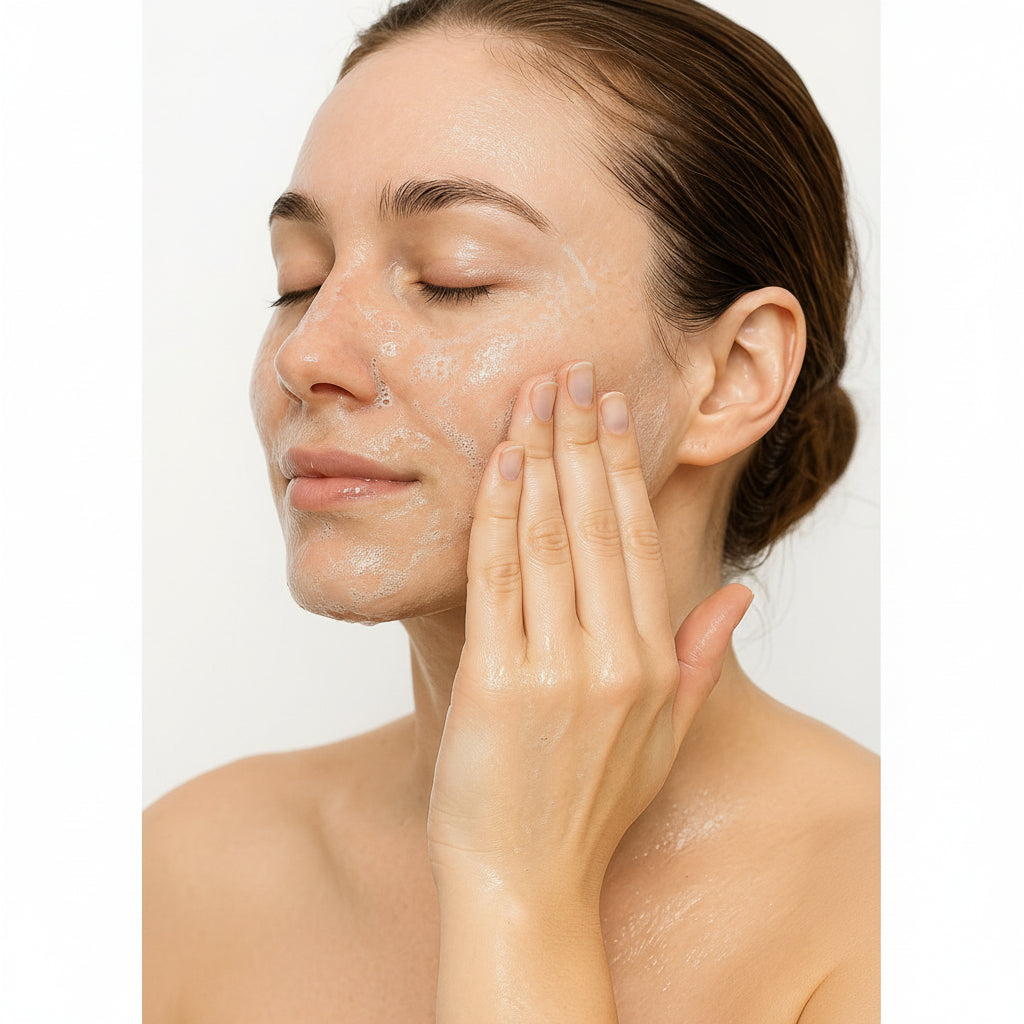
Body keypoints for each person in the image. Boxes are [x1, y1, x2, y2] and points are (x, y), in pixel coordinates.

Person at [143, 0, 878, 1020]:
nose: (306, 355)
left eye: (452, 277)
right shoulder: (182, 877)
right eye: (299, 280)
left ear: (732, 374)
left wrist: (517, 890)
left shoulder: (910, 914)